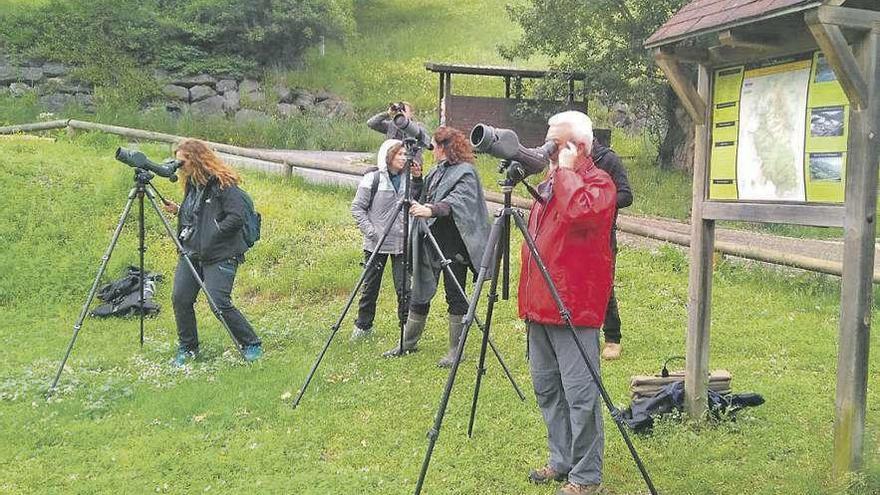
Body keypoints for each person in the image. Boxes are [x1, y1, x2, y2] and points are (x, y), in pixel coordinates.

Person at [519, 111, 617, 495]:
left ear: (580, 146)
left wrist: (564, 170)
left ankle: (586, 476)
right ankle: (561, 460)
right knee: (547, 390)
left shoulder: (599, 184)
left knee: (581, 396)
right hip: (540, 306)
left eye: (556, 143)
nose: (549, 150)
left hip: (574, 309)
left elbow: (578, 211)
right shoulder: (551, 183)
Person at [382, 126, 490, 368]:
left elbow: (456, 201)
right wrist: (419, 179)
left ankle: (456, 351)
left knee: (456, 294)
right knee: (420, 288)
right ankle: (408, 342)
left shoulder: (466, 173)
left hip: (456, 243)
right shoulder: (438, 170)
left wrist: (431, 210)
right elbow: (424, 197)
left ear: (444, 148)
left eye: (435, 146)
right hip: (430, 239)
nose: (431, 151)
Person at [162, 139, 263, 366]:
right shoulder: (192, 185)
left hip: (220, 254)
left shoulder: (224, 184)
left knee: (218, 302)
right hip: (192, 253)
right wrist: (178, 210)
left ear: (197, 159)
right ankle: (188, 349)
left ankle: (251, 343)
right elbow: (200, 215)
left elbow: (235, 217)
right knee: (180, 298)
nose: (180, 166)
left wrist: (212, 233)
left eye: (183, 161)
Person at [349, 139, 419, 340]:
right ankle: (363, 326)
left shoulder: (407, 179)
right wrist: (371, 232)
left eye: (405, 154)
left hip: (401, 243)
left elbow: (417, 202)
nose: (403, 158)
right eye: (399, 154)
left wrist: (418, 179)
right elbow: (357, 208)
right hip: (376, 244)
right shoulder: (373, 179)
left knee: (405, 288)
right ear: (388, 156)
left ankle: (406, 330)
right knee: (370, 287)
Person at [592, 139, 632, 360]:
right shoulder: (569, 160)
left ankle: (612, 338)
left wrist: (597, 201)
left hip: (604, 233)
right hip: (578, 234)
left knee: (604, 284)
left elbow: (626, 195)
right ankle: (585, 333)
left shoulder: (608, 159)